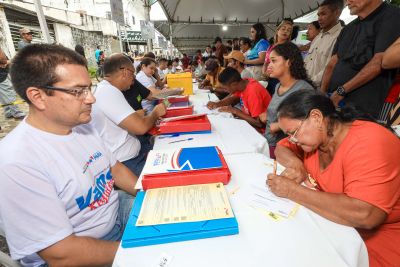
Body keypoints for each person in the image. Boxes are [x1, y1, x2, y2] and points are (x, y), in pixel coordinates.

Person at [0, 44, 138, 266]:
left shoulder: (81, 124)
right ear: (38, 96)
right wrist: (136, 251)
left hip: (116, 211)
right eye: (78, 91)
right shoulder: (17, 162)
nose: (91, 99)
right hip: (81, 251)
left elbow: (116, 169)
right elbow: (62, 254)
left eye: (89, 88)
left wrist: (154, 196)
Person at [267, 89, 400, 267]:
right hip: (337, 227)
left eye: (294, 132)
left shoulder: (368, 142)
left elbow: (366, 214)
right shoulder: (316, 140)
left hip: (378, 240)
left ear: (316, 117)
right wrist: (295, 164)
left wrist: (292, 190)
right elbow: (281, 148)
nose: (293, 140)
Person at [320, 0, 400, 119]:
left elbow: (379, 62)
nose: (347, 3)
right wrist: (322, 94)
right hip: (334, 101)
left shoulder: (392, 16)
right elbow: (332, 63)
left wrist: (342, 90)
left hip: (363, 108)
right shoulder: (348, 28)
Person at [91, 54, 166, 176]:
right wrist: (156, 113)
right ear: (125, 72)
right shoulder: (108, 92)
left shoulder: (109, 89)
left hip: (133, 153)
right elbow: (140, 127)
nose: (134, 79)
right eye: (132, 74)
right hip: (126, 162)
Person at [259, 42, 314, 158]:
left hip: (286, 150)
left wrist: (279, 125)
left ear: (289, 62)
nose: (269, 65)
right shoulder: (278, 86)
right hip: (268, 142)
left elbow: (310, 119)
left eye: (274, 61)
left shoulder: (303, 89)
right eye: (269, 61)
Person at [206, 67, 271, 131]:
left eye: (226, 88)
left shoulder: (253, 92)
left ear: (234, 84)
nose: (225, 90)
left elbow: (258, 123)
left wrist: (235, 111)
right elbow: (232, 98)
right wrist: (217, 104)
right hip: (249, 122)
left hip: (261, 130)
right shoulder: (243, 83)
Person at [304, 0, 343, 88]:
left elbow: (332, 68)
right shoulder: (318, 37)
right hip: (305, 85)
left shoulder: (341, 36)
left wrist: (310, 83)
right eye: (318, 15)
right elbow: (307, 60)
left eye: (323, 14)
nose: (319, 18)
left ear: (337, 13)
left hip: (318, 89)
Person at [262, 20, 294, 95]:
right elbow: (266, 62)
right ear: (277, 30)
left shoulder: (290, 47)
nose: (285, 31)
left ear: (290, 34)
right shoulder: (271, 47)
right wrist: (265, 73)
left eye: (288, 30)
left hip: (281, 80)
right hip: (270, 78)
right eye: (283, 29)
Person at [0, 47, 25, 119]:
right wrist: (7, 61)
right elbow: (3, 60)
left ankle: (8, 112)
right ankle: (16, 112)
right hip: (2, 74)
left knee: (3, 95)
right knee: (9, 92)